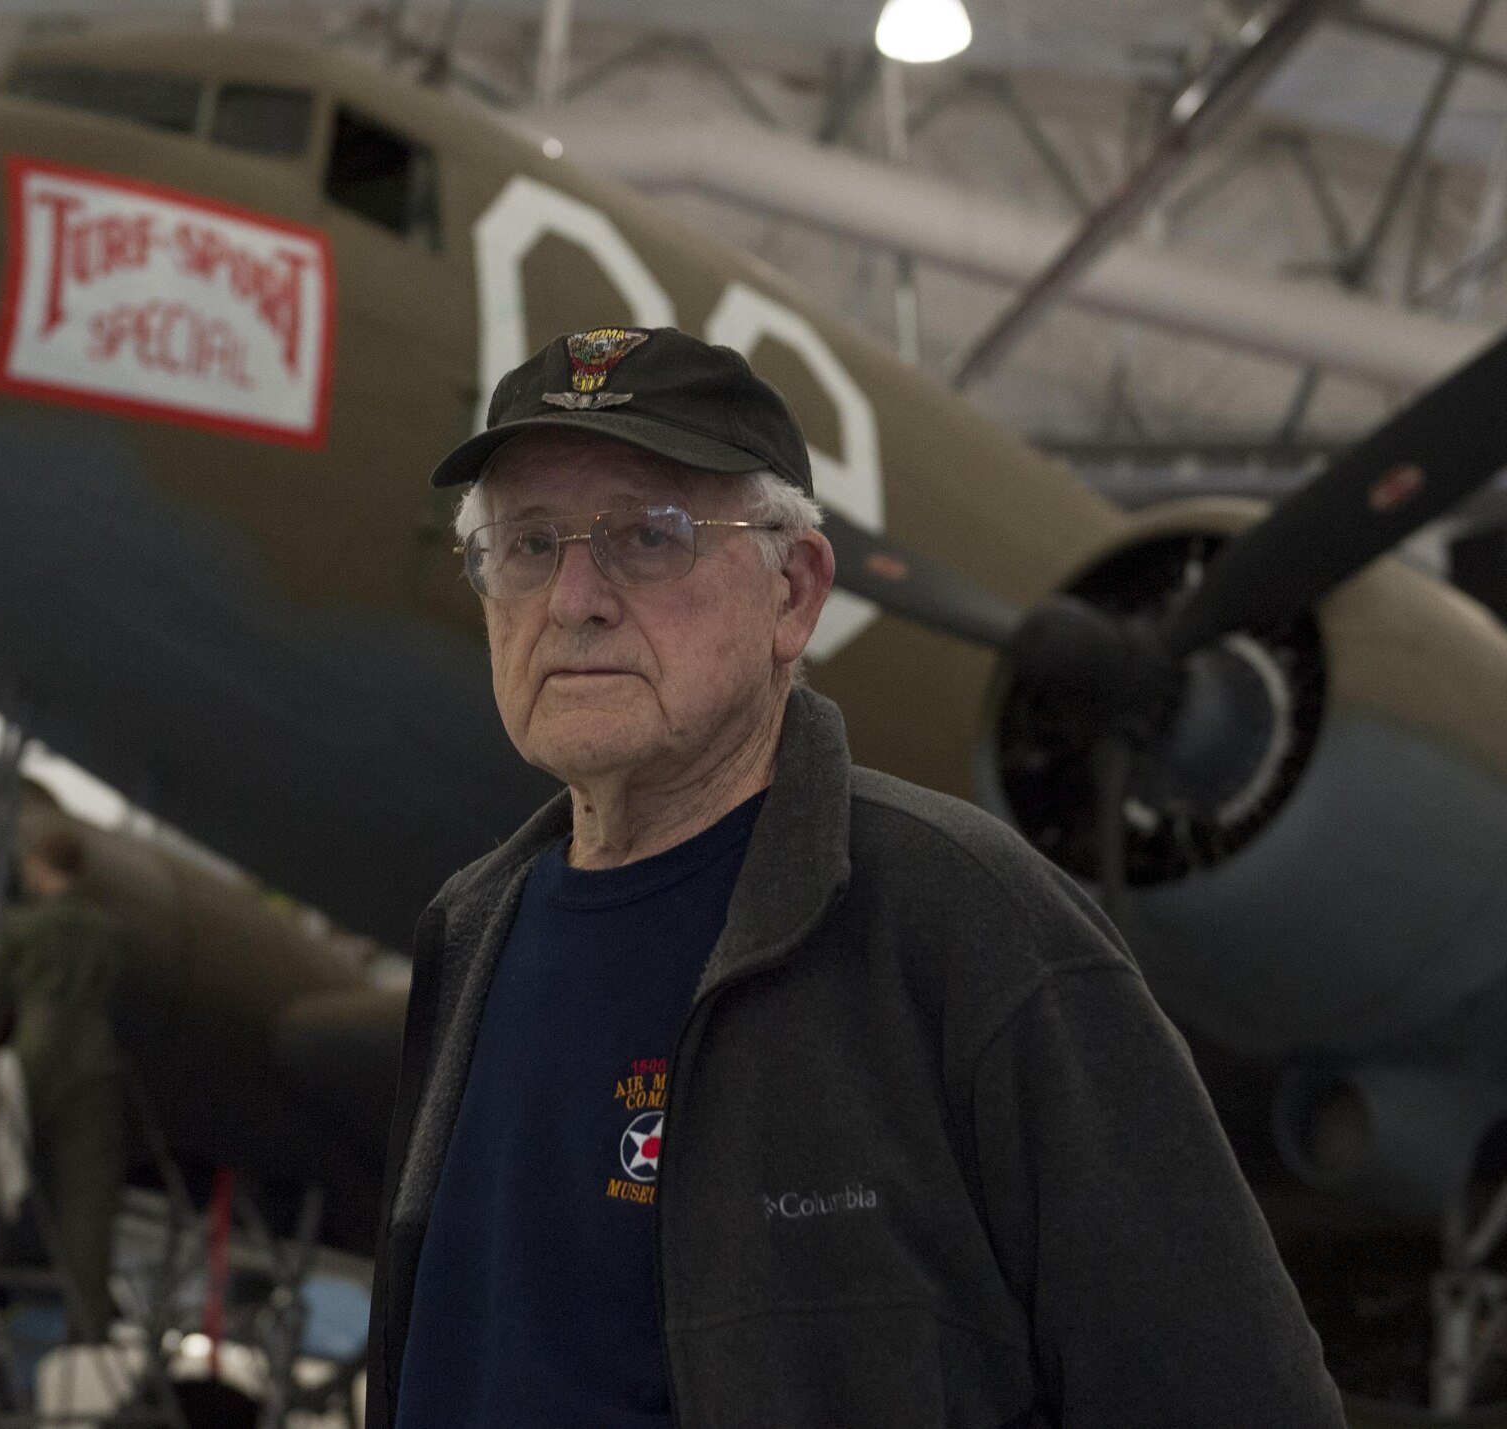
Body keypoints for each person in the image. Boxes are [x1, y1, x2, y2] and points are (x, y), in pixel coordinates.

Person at [364, 326, 1345, 1427]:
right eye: (527, 544)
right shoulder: (469, 934)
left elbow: (1236, 1394)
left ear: (793, 594)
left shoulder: (970, 922)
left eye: (648, 535)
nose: (573, 597)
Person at [0, 826, 126, 1340]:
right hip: (98, 1068)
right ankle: (90, 1329)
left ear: (41, 866)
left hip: (38, 1059)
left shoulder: (23, 926)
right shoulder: (103, 928)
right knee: (87, 1203)